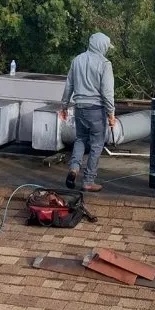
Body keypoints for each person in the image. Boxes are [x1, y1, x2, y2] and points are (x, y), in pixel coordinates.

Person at [59, 32, 115, 192]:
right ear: (103, 46)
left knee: (80, 139)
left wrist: (64, 106)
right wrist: (111, 113)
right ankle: (88, 181)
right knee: (97, 144)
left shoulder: (77, 60)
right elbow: (107, 92)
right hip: (96, 110)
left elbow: (69, 85)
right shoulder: (105, 63)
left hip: (79, 108)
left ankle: (74, 168)